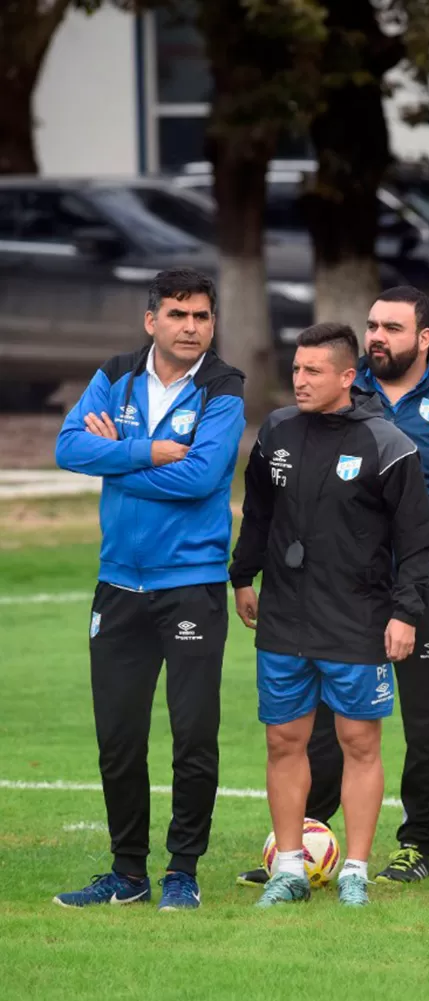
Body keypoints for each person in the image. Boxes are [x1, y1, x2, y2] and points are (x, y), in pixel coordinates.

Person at [236, 286, 429, 887]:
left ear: (424, 338)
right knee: (327, 722)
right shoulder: (344, 397)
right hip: (343, 593)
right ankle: (306, 843)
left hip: (428, 587)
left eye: (393, 328)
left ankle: (416, 844)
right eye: (373, 326)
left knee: (428, 723)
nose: (378, 336)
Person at [52, 269, 245, 912]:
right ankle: (128, 873)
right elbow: (67, 446)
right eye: (178, 314)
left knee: (192, 734)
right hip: (117, 589)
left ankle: (183, 871)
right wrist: (149, 450)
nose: (191, 327)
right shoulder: (114, 375)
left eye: (201, 316)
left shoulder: (224, 389)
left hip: (190, 588)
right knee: (119, 735)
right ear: (151, 320)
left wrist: (119, 460)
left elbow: (200, 477)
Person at [228, 322, 429, 909]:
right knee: (283, 739)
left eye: (313, 371)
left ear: (348, 377)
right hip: (285, 617)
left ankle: (356, 872)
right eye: (296, 369)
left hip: (357, 618)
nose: (300, 380)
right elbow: (260, 515)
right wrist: (243, 577)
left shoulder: (386, 443)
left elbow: (416, 541)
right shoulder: (276, 431)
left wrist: (405, 613)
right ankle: (289, 870)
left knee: (358, 741)